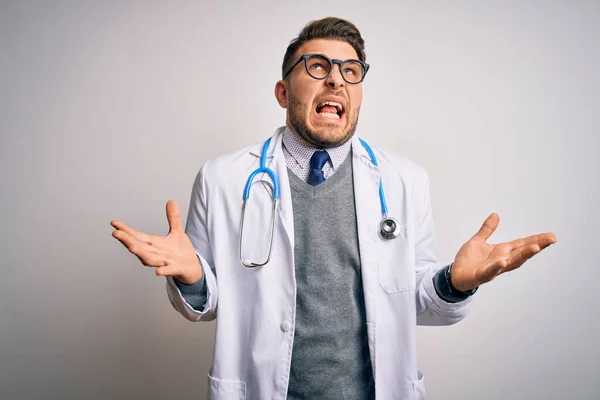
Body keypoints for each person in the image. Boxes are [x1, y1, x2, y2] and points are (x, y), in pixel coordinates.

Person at [110, 17, 556, 400]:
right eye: (318, 66)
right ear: (283, 93)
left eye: (350, 71)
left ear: (359, 93)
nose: (336, 80)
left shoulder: (405, 182)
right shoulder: (222, 179)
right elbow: (206, 305)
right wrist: (192, 278)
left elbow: (416, 303)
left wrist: (455, 284)